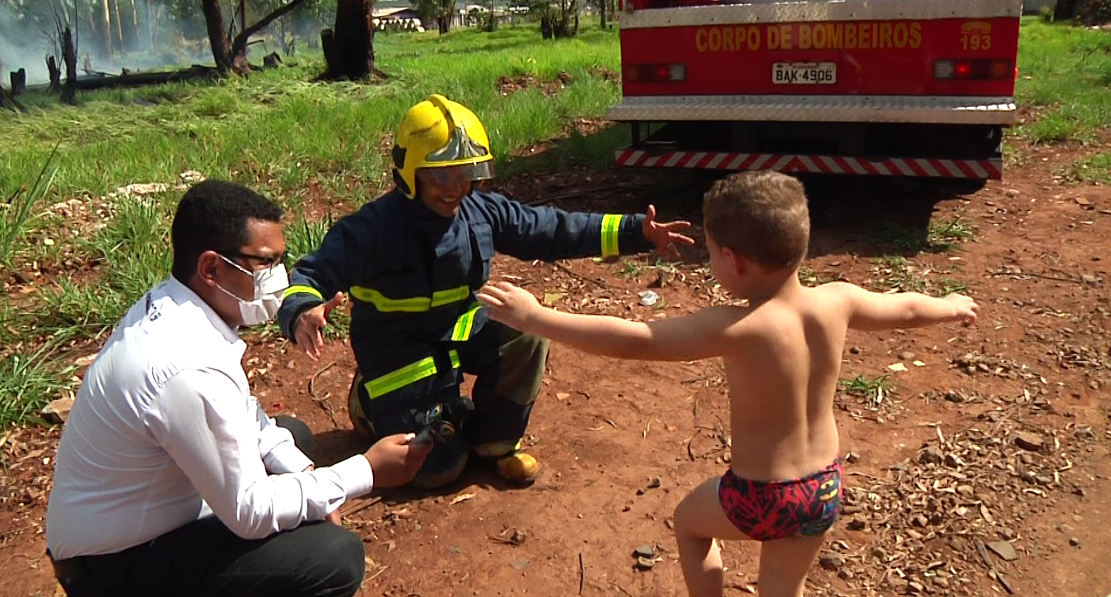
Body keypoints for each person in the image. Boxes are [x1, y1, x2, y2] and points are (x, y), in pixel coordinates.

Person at [476, 170, 980, 597]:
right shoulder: (838, 299)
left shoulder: (737, 326)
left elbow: (637, 340)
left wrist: (538, 317)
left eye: (713, 253)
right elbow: (906, 306)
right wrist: (951, 306)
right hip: (823, 488)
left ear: (734, 260)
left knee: (690, 524)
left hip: (761, 497)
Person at [277, 94, 694, 489]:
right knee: (438, 471)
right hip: (398, 354)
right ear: (409, 173)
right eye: (442, 175)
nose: (456, 187)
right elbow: (311, 272)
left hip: (457, 331)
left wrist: (633, 231)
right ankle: (368, 404)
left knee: (525, 329)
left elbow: (550, 229)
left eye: (467, 174)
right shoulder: (371, 230)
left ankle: (493, 440)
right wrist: (302, 309)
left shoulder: (480, 212)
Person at [45, 180, 432, 597]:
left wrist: (303, 472)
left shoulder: (178, 308)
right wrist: (366, 470)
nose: (279, 278)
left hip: (138, 521)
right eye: (265, 263)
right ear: (211, 268)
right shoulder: (184, 366)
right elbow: (251, 512)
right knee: (331, 557)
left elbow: (245, 413)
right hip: (113, 569)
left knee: (291, 438)